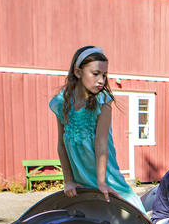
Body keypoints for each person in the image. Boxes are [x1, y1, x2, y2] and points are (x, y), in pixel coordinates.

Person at [50, 45, 145, 213]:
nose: (101, 80)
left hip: (107, 178)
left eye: (104, 75)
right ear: (78, 72)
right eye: (95, 74)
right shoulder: (61, 104)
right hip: (81, 181)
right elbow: (61, 145)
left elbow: (101, 144)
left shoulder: (103, 102)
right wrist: (68, 180)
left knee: (133, 209)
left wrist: (102, 183)